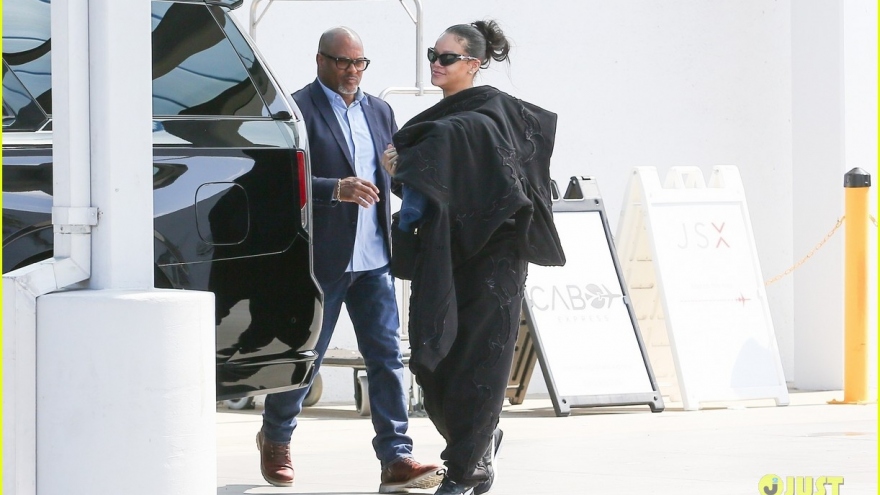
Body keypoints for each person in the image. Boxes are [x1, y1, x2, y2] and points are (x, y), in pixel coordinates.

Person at [256, 26, 444, 494]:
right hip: (321, 261)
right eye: (343, 62)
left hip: (375, 257)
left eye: (359, 63)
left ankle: (396, 458)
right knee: (308, 356)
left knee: (386, 357)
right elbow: (275, 179)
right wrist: (333, 189)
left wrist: (427, 189)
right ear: (320, 60)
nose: (352, 71)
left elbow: (394, 172)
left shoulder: (379, 110)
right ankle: (276, 437)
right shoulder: (296, 109)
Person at [382, 20, 566, 495]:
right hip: (443, 253)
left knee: (480, 363)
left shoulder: (493, 113)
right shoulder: (432, 123)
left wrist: (412, 160)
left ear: (474, 64)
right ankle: (480, 444)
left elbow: (493, 169)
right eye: (433, 55)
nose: (436, 64)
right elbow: (434, 187)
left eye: (447, 57)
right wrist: (400, 173)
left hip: (494, 258)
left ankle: (466, 471)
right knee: (434, 362)